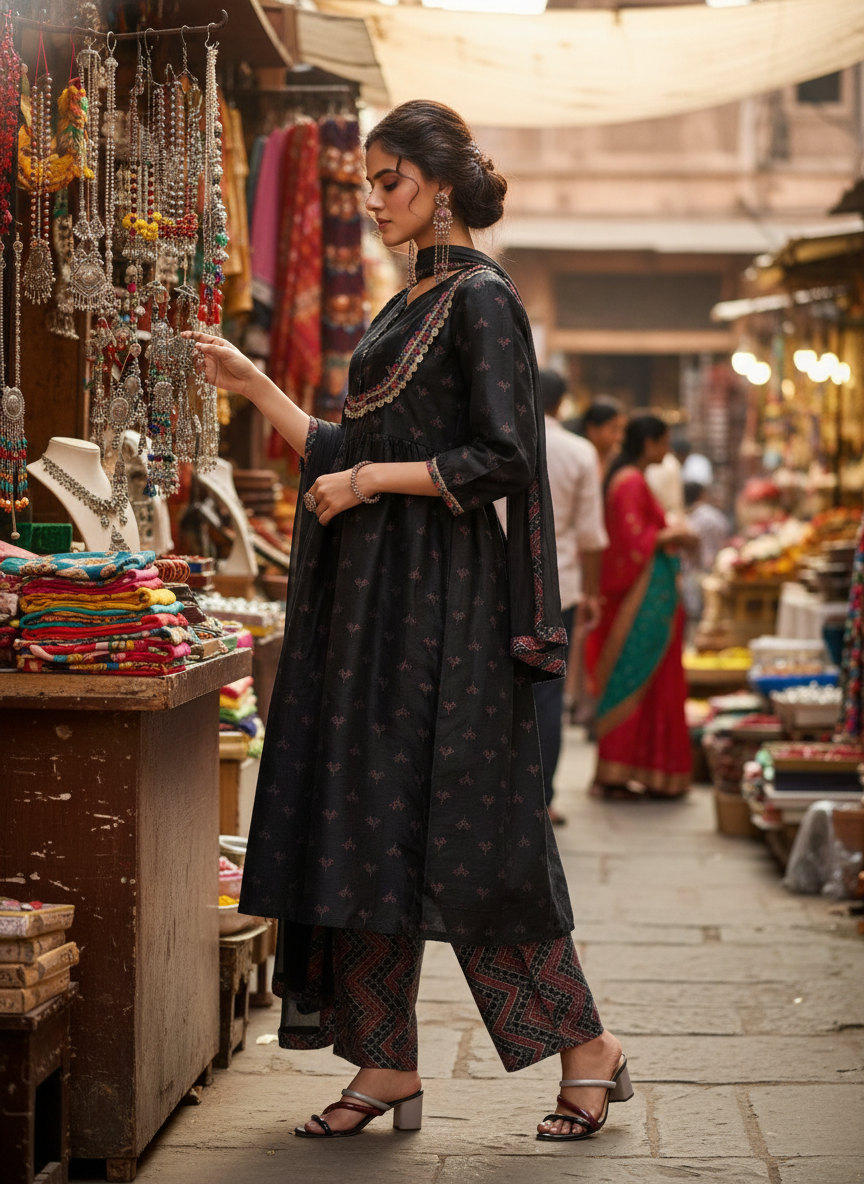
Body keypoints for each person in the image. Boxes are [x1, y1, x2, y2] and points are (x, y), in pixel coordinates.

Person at [189, 100, 631, 1144]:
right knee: (367, 831)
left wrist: (376, 479)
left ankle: (590, 1050)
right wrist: (256, 385)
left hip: (451, 621)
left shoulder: (481, 300)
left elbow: (505, 453)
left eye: (389, 182)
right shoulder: (407, 305)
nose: (377, 202)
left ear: (437, 182)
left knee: (479, 847)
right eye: (369, 185)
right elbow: (341, 457)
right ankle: (384, 1063)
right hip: (377, 618)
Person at [585, 416, 697, 800]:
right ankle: (620, 772)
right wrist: (675, 534)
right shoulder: (630, 481)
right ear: (649, 443)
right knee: (634, 680)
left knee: (655, 685)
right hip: (638, 603)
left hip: (648, 599)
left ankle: (645, 770)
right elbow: (630, 543)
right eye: (664, 442)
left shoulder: (630, 478)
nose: (667, 450)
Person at [534, 369, 608, 825]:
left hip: (491, 587)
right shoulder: (579, 451)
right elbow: (592, 536)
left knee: (489, 695)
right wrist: (593, 595)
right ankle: (540, 801)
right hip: (559, 590)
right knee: (546, 699)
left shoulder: (492, 440)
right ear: (562, 404)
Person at [680, 481, 729, 622]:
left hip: (694, 570)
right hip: (713, 568)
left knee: (696, 614)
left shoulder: (689, 518)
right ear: (701, 494)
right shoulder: (715, 516)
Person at [572, 398, 626, 476]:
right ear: (592, 429)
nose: (620, 437)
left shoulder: (617, 462)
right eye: (614, 429)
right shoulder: (577, 460)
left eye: (621, 430)